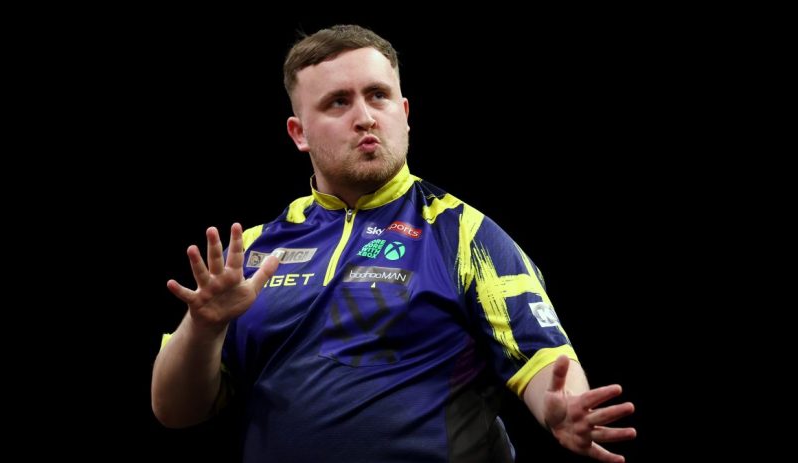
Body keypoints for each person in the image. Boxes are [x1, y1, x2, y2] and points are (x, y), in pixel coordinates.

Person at [151, 24, 636, 462]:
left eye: (378, 96)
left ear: (404, 113)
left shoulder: (463, 234)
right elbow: (174, 411)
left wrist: (564, 406)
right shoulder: (253, 253)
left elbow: (543, 357)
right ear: (299, 133)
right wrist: (204, 325)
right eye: (338, 102)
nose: (364, 117)